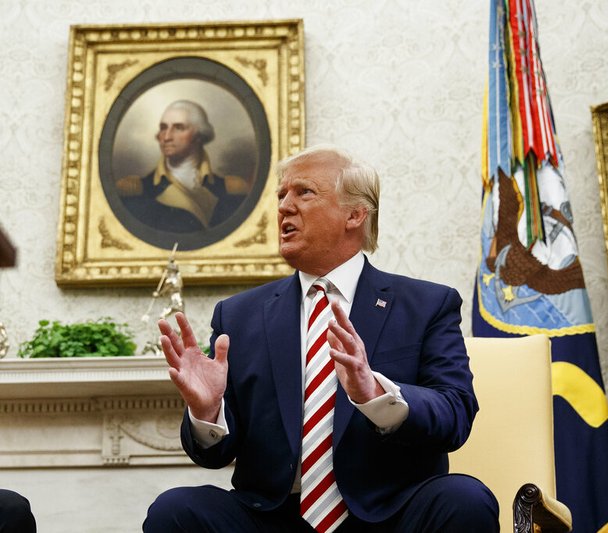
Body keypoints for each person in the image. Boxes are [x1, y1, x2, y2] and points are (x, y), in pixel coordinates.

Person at [143, 145, 499, 532]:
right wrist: (208, 413)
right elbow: (213, 456)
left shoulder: (427, 305)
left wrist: (376, 394)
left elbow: (455, 413)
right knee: (174, 510)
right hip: (273, 518)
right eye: (281, 195)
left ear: (355, 213)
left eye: (304, 192)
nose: (284, 207)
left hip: (387, 516)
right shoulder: (239, 316)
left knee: (464, 500)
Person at [115, 100, 250, 233]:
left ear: (199, 136)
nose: (166, 137)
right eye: (163, 128)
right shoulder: (136, 191)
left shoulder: (231, 189)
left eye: (178, 128)